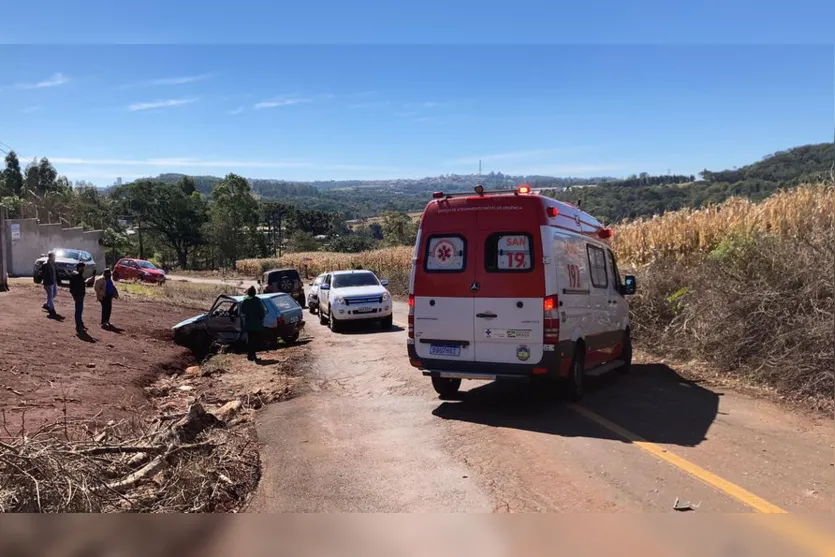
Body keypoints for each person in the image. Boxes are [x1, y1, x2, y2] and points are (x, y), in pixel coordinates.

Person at [240, 286, 266, 362]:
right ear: (254, 292)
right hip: (257, 324)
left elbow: (243, 311)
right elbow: (262, 312)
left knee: (250, 340)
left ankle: (250, 355)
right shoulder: (257, 301)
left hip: (249, 324)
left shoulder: (245, 301)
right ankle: (253, 355)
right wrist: (261, 318)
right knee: (255, 341)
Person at [69, 262, 87, 333]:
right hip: (78, 294)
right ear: (79, 267)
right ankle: (78, 325)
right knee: (79, 310)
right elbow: (79, 284)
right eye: (82, 267)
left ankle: (80, 324)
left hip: (78, 294)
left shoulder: (75, 274)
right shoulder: (77, 275)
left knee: (79, 310)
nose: (83, 269)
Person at [42, 252, 58, 317]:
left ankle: (47, 304)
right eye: (54, 257)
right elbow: (44, 275)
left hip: (53, 281)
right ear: (50, 257)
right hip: (49, 282)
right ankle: (51, 309)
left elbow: (55, 272)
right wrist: (45, 283)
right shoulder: (45, 264)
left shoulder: (53, 263)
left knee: (55, 294)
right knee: (51, 295)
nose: (55, 258)